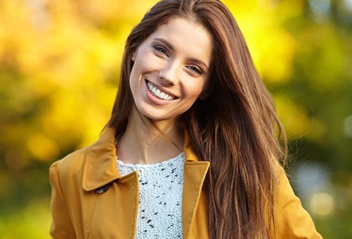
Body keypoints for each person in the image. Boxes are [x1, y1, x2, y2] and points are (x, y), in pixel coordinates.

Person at [49, 0, 323, 238]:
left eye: (193, 68)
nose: (169, 75)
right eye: (161, 50)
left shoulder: (249, 170)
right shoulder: (70, 175)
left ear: (206, 89)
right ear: (134, 49)